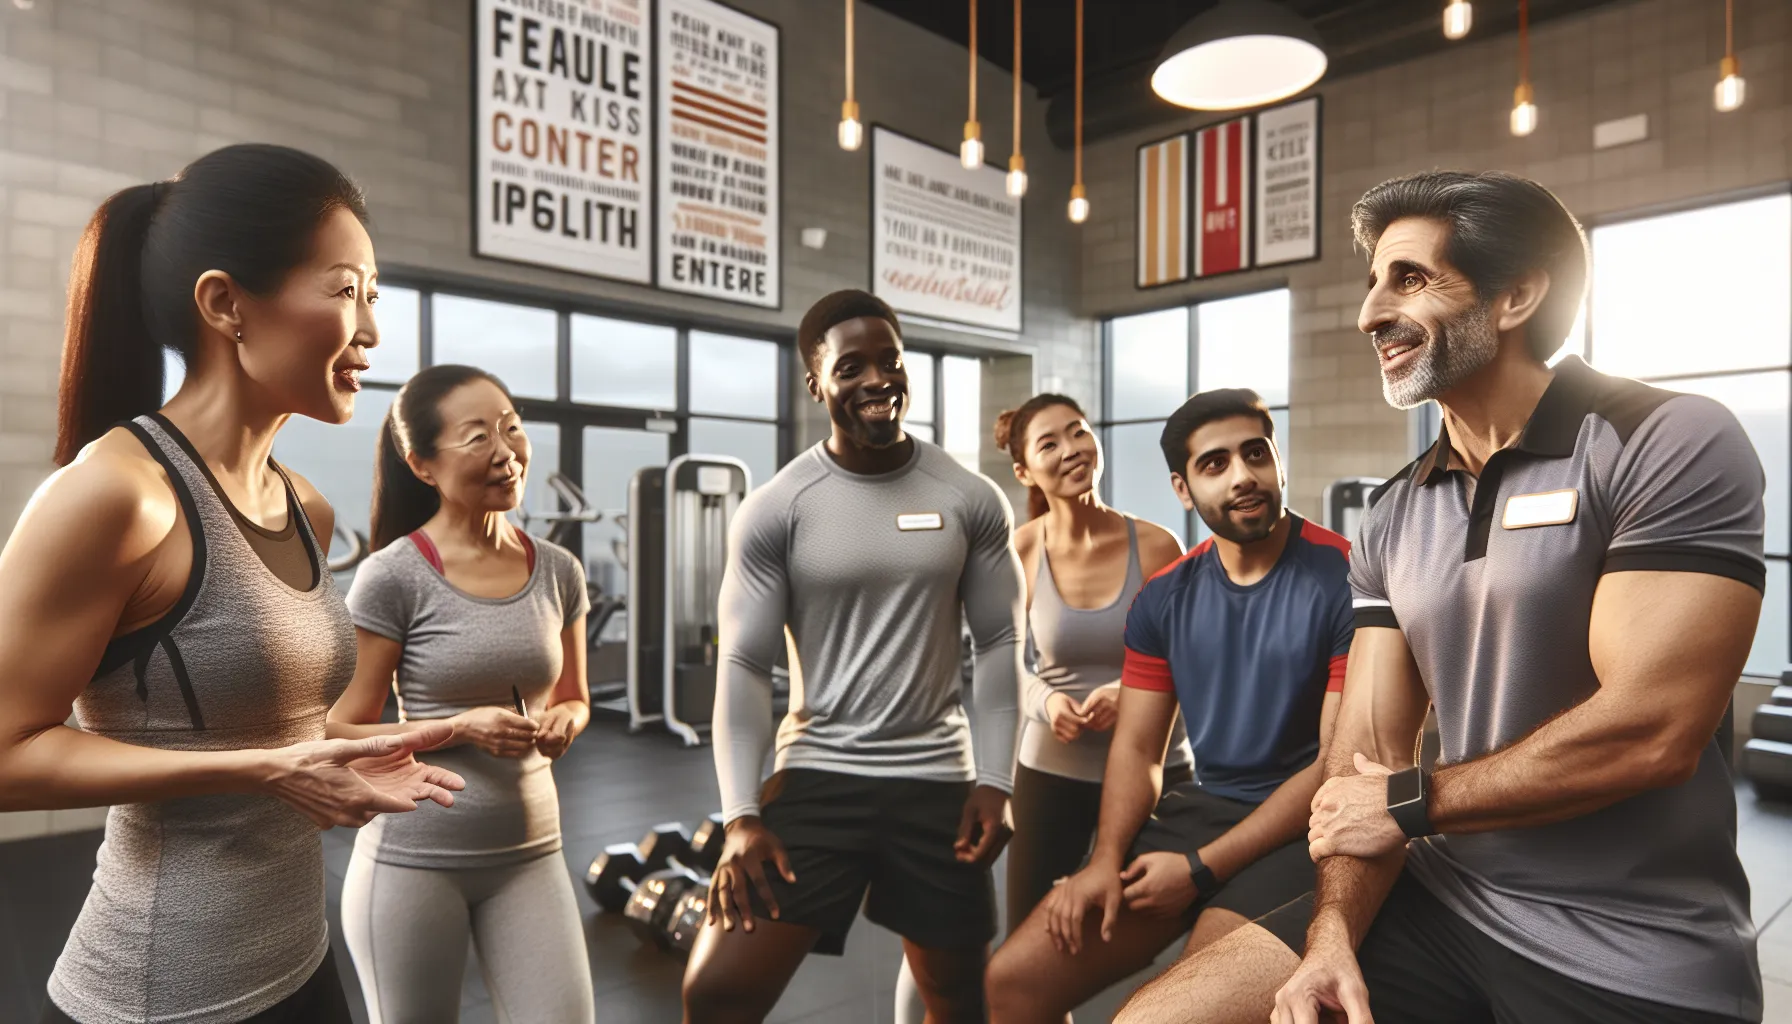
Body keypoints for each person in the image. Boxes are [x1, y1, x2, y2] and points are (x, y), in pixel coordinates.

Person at [1268, 170, 1765, 1024]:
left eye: (1411, 278)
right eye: (1374, 280)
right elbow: (1366, 765)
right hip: (1444, 896)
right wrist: (1333, 934)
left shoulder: (1666, 437)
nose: (1369, 313)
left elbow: (1652, 731)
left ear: (1516, 296)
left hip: (1637, 946)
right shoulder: (1393, 512)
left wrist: (1410, 801)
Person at [0, 145, 463, 1024]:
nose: (371, 332)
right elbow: (6, 750)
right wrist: (270, 771)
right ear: (224, 304)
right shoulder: (117, 494)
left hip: (297, 957)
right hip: (163, 990)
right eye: (344, 290)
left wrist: (371, 744)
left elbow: (272, 724)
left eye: (375, 298)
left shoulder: (305, 507)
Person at [681, 289, 1024, 1024]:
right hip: (818, 777)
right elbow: (742, 664)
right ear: (817, 383)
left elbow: (999, 644)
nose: (878, 380)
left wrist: (997, 780)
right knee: (715, 995)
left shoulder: (970, 497)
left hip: (938, 784)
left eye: (890, 362)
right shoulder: (779, 505)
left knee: (959, 1002)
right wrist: (740, 814)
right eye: (851, 367)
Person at [986, 389, 1352, 1024]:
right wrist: (1104, 860)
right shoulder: (1164, 597)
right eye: (1215, 464)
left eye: (1255, 454)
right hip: (1204, 811)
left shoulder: (1347, 575)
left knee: (1171, 1014)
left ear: (1277, 461)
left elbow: (1334, 765)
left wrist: (1202, 870)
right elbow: (1136, 747)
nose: (1242, 476)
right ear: (1184, 489)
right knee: (1009, 985)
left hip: (1309, 829)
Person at [894, 394, 1194, 1024]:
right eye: (1049, 444)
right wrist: (1045, 700)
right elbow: (998, 661)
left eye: (1079, 433)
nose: (1071, 450)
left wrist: (1136, 694)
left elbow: (1197, 664)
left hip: (1158, 773)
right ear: (1026, 472)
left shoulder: (1159, 546)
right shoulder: (1018, 551)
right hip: (1052, 771)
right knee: (1034, 952)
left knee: (1180, 936)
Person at [327, 365, 595, 1023]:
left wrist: (566, 719)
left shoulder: (559, 570)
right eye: (478, 437)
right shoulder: (393, 577)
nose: (506, 453)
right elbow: (338, 732)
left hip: (532, 854)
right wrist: (459, 728)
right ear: (423, 465)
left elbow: (575, 697)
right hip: (416, 863)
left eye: (512, 428)